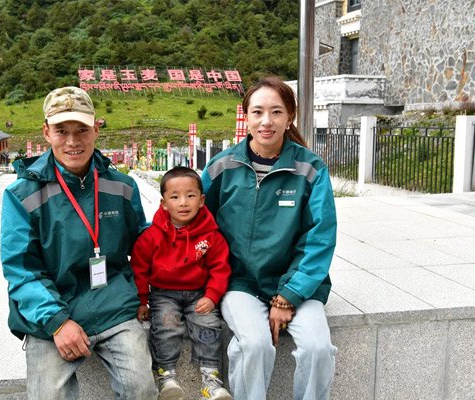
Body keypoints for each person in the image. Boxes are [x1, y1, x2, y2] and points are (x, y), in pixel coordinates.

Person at [0, 86, 157, 399]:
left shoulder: (121, 186)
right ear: (46, 132)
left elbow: (143, 244)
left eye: (82, 130)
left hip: (114, 307)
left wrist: (182, 229)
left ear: (96, 129)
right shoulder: (22, 195)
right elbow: (21, 269)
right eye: (62, 131)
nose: (73, 141)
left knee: (141, 389)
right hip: (52, 312)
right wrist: (58, 323)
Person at [201, 76, 338, 400]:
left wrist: (289, 296)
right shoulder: (222, 167)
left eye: (276, 112)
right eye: (258, 112)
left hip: (298, 284)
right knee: (255, 345)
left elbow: (320, 237)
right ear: (246, 117)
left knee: (318, 348)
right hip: (241, 282)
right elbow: (195, 220)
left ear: (289, 117)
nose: (266, 121)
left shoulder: (310, 169)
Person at [131, 166, 232, 400]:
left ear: (201, 200)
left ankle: (211, 380)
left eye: (190, 195)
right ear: (164, 203)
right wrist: (142, 300)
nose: (183, 203)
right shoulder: (152, 235)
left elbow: (220, 268)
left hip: (199, 294)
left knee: (209, 325)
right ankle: (166, 376)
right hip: (164, 294)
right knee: (166, 325)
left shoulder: (211, 235)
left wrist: (212, 295)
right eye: (175, 197)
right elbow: (139, 268)